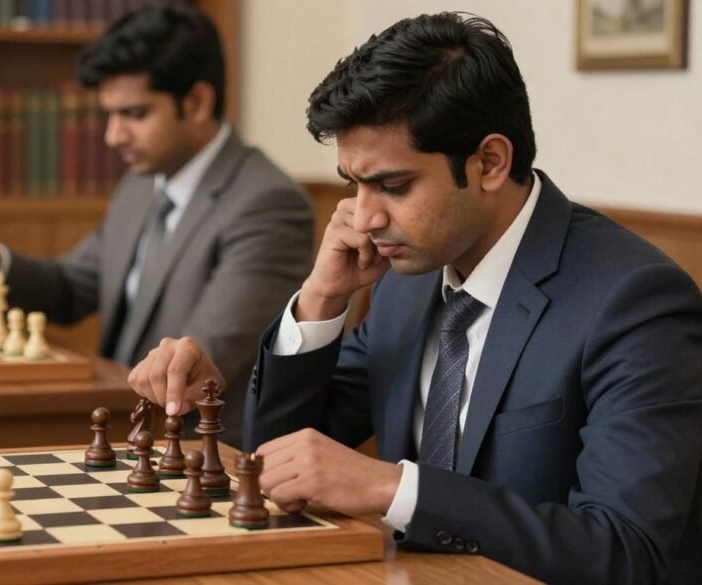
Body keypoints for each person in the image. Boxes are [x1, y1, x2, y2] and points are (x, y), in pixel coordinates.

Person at [127, 12, 702, 584]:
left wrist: (390, 486)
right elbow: (282, 458)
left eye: (393, 186)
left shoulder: (634, 301)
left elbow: (625, 553)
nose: (364, 216)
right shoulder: (407, 278)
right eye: (353, 183)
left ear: (490, 163)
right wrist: (322, 299)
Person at [0, 5, 314, 446]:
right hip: (120, 428)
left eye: (134, 113)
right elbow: (73, 287)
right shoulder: (141, 184)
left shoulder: (266, 203)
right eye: (109, 115)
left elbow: (200, 360)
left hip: (200, 452)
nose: (113, 136)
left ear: (198, 102)